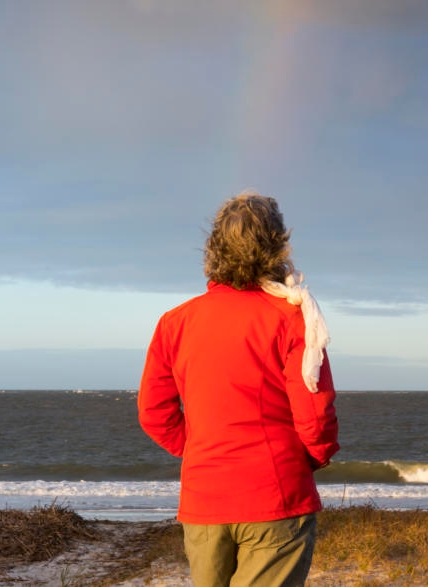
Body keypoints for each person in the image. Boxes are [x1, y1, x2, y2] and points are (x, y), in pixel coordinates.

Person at [138, 192, 339, 587]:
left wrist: (199, 447)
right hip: (276, 495)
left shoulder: (174, 323)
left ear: (214, 246)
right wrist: (310, 459)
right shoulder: (292, 318)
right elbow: (315, 414)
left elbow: (153, 412)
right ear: (277, 245)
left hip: (204, 498)